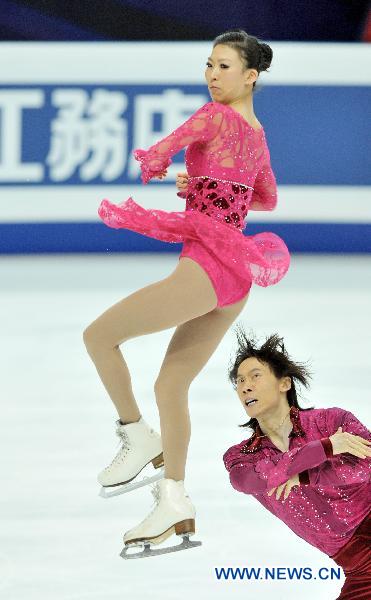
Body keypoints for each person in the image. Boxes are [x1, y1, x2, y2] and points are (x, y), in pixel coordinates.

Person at [83, 29, 291, 557]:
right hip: (236, 278)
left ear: (250, 75)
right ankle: (174, 498)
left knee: (99, 336)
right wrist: (203, 186)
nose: (212, 75)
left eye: (224, 66)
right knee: (171, 384)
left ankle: (136, 435)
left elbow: (155, 156)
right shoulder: (257, 131)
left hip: (203, 270)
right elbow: (263, 198)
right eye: (209, 65)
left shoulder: (213, 117)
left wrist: (168, 170)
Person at [223, 326, 371, 598]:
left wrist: (304, 476)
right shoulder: (241, 456)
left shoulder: (332, 421)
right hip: (360, 566)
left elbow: (365, 466)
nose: (245, 386)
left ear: (284, 383)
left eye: (255, 376)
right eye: (240, 381)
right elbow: (250, 479)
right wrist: (326, 447)